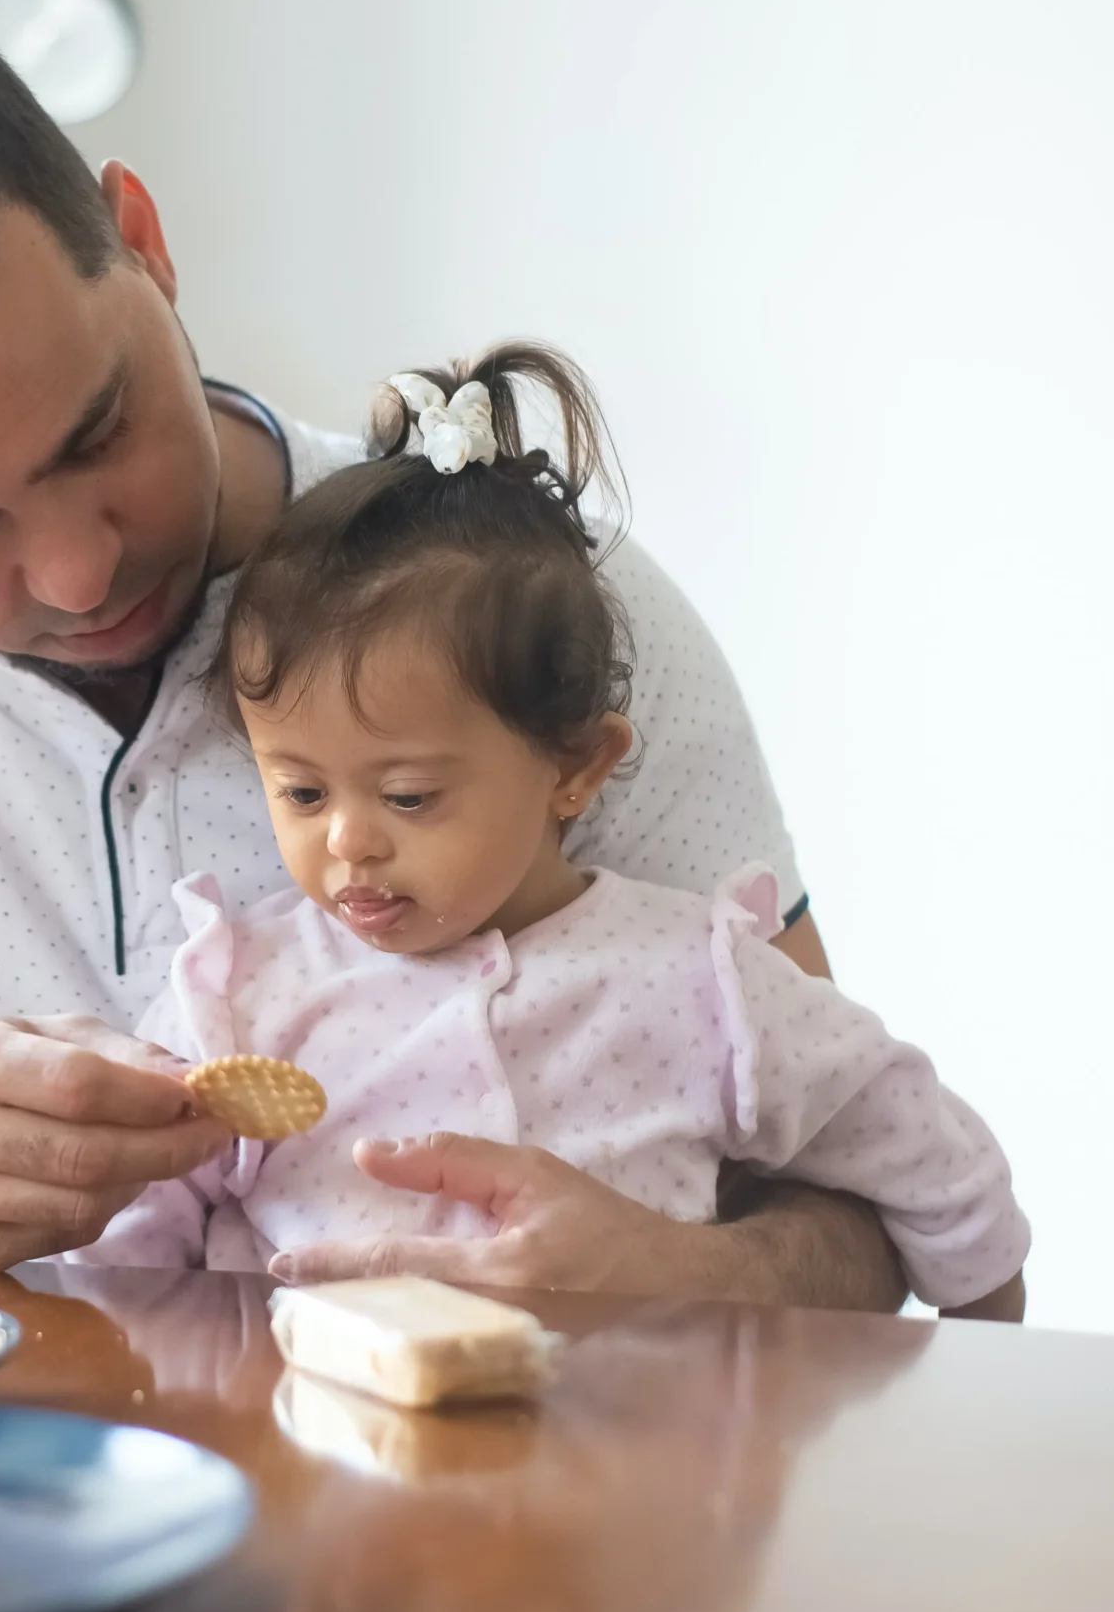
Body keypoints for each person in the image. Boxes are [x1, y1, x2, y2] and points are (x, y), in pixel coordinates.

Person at [0, 0, 907, 1310]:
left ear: (144, 241)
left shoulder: (543, 611)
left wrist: (681, 1271)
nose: (77, 569)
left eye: (96, 430)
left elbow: (873, 1223)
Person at [65, 345, 1029, 1320]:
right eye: (302, 794)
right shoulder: (234, 1002)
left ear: (573, 767)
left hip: (639, 1457)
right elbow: (120, 1260)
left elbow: (916, 1140)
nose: (348, 842)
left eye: (406, 797)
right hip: (317, 1450)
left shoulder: (702, 980)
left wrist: (986, 1321)